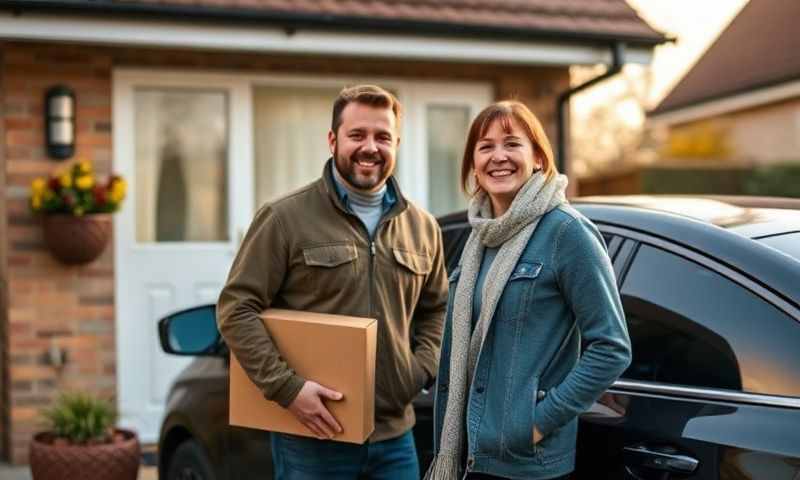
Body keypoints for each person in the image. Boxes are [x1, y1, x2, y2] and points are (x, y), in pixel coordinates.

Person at [217, 84, 448, 479]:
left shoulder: (422, 228)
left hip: (394, 436)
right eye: (357, 135)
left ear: (397, 143)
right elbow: (237, 309)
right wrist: (287, 390)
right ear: (332, 140)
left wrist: (419, 368)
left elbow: (437, 308)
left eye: (383, 136)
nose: (370, 147)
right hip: (311, 437)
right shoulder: (284, 218)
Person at [425, 101, 632, 480]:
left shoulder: (566, 232)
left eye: (511, 144)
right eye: (485, 147)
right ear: (473, 163)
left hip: (526, 462)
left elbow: (612, 347)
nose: (498, 156)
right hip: (471, 455)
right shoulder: (479, 240)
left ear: (537, 157)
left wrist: (535, 423)